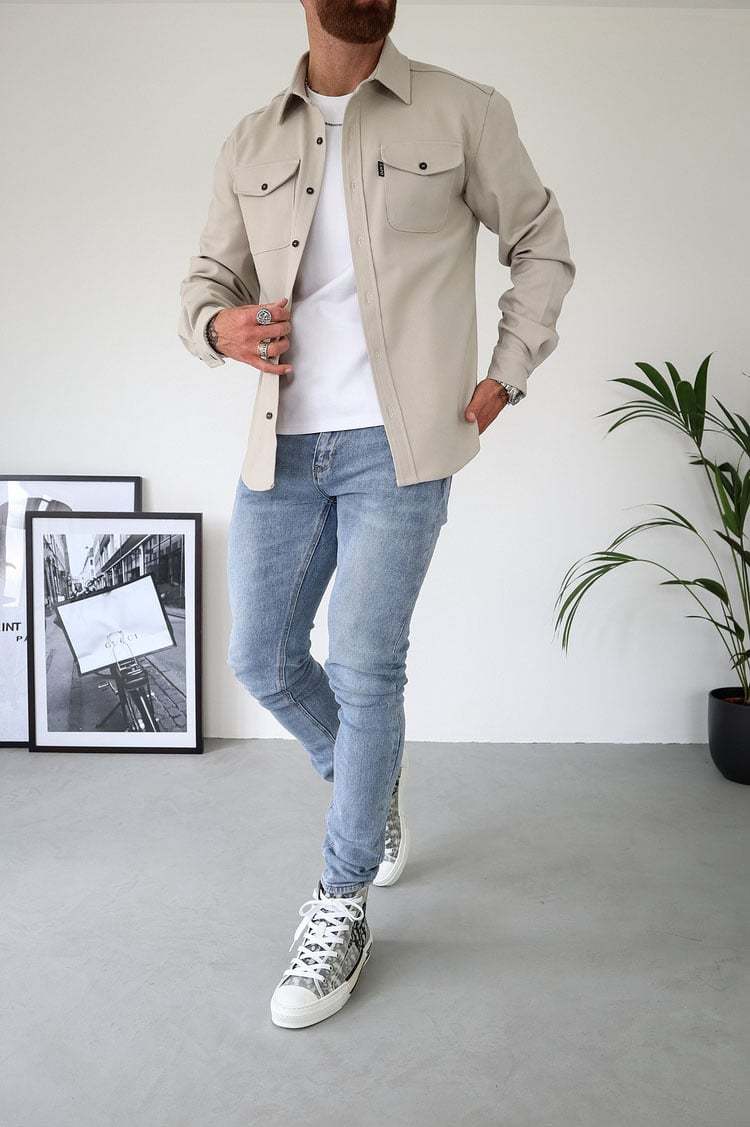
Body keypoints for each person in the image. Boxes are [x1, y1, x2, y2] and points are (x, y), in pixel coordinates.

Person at [178, 0, 575, 1029]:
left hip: (401, 449)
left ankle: (343, 897)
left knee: (363, 665)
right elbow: (206, 282)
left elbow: (541, 242)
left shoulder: (464, 111)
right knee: (261, 656)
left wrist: (508, 371)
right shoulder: (251, 140)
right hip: (283, 445)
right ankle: (370, 777)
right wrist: (218, 326)